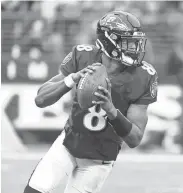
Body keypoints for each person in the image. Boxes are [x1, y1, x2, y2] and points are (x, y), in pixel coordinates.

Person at [23, 11, 158, 193]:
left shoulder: (143, 76)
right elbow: (40, 99)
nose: (135, 48)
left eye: (135, 42)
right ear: (109, 42)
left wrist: (112, 111)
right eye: (127, 42)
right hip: (67, 145)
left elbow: (135, 138)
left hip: (98, 160)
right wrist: (71, 79)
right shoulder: (82, 56)